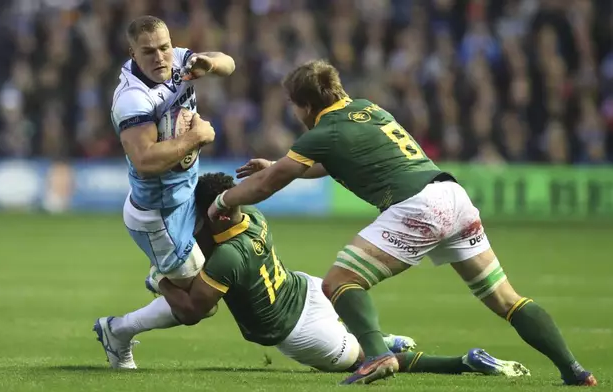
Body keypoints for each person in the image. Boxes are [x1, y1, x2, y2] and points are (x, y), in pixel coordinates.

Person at [206, 60, 596, 386]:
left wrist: (224, 199)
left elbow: (270, 184)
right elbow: (328, 162)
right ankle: (574, 371)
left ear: (305, 105)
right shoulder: (368, 109)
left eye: (294, 106)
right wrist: (279, 165)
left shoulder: (324, 130)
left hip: (418, 206)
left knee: (339, 282)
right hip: (453, 197)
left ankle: (378, 356)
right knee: (507, 300)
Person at [148, 172, 530, 377]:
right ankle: (387, 338)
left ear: (214, 216)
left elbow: (192, 310)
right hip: (308, 288)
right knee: (372, 342)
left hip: (301, 333)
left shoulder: (226, 259)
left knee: (374, 361)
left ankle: (463, 362)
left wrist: (160, 281)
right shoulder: (254, 219)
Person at [93, 15, 235, 369]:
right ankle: (118, 330)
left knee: (237, 241)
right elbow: (144, 160)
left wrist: (211, 62)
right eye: (149, 52)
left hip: (186, 196)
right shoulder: (132, 99)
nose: (160, 57)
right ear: (132, 53)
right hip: (160, 217)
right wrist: (196, 137)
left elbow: (229, 64)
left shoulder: (177, 60)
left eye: (164, 47)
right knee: (200, 305)